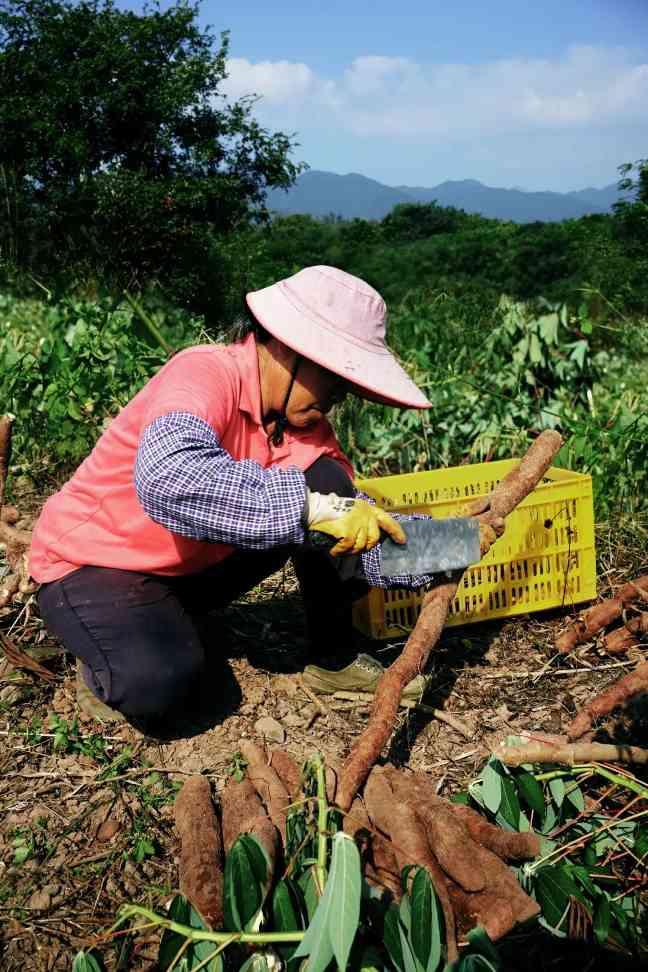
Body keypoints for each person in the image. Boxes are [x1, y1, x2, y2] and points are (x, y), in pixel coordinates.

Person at [29, 266, 500, 725]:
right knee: (160, 683)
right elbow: (168, 477)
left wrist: (450, 542)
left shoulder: (306, 433)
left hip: (185, 567)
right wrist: (312, 508)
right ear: (290, 349)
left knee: (329, 483)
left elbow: (358, 544)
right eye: (335, 378)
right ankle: (103, 663)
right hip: (96, 565)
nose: (340, 394)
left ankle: (332, 658)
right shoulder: (204, 374)